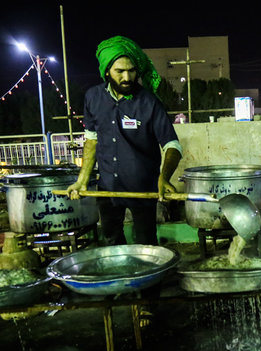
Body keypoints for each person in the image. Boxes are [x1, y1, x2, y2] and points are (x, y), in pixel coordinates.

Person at [67, 35, 182, 246]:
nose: (127, 77)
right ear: (107, 71)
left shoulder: (149, 102)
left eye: (132, 70)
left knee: (146, 243)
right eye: (120, 71)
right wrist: (82, 179)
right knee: (111, 240)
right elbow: (91, 141)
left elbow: (172, 145)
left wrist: (164, 178)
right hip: (108, 187)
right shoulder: (93, 97)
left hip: (143, 188)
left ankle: (149, 278)